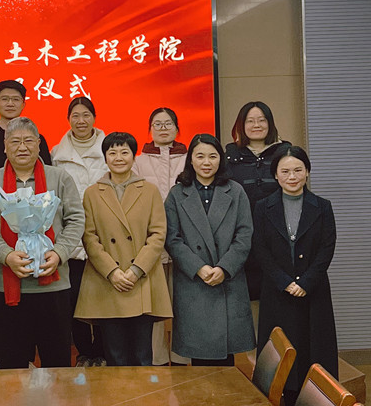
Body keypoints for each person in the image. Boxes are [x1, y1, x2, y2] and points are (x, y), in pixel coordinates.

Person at [0, 117, 85, 369]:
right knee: (12, 367)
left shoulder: (60, 178)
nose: (22, 147)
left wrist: (59, 253)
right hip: (8, 287)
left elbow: (76, 220)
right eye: (15, 141)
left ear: (38, 144)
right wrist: (7, 255)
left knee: (57, 364)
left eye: (28, 141)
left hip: (54, 285)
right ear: (5, 146)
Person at [0, 79, 52, 366]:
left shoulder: (39, 141)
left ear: (23, 103)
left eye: (15, 99)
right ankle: (1, 360)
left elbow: (49, 189)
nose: (10, 103)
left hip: (41, 241)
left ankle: (33, 359)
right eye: (4, 98)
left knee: (40, 308)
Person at [74, 132, 172, 367]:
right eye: (113, 152)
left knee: (142, 355)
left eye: (124, 152)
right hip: (108, 281)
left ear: (134, 156)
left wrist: (136, 270)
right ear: (105, 158)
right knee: (115, 355)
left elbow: (158, 234)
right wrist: (113, 272)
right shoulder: (92, 193)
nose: (119, 157)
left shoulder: (149, 190)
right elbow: (89, 237)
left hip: (141, 279)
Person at [253, 145, 337, 404]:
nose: (292, 176)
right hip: (277, 290)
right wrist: (284, 281)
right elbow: (260, 249)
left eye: (298, 170)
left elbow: (327, 247)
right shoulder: (262, 207)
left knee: (314, 349)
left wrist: (306, 282)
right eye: (285, 171)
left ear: (307, 172)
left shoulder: (322, 206)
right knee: (281, 354)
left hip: (313, 291)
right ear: (275, 175)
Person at [163, 134, 255, 366]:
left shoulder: (235, 191)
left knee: (227, 361)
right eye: (200, 156)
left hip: (228, 279)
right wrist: (198, 267)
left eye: (212, 156)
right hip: (194, 281)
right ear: (191, 160)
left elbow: (244, 235)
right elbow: (172, 239)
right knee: (200, 358)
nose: (206, 162)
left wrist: (224, 268)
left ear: (221, 159)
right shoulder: (177, 194)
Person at [50, 96, 107, 367]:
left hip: (105, 235)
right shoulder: (56, 154)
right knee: (74, 299)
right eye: (75, 115)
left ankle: (104, 352)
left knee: (105, 296)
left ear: (94, 117)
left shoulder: (109, 149)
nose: (81, 120)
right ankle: (84, 352)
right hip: (70, 237)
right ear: (68, 119)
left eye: (86, 115)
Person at [132, 107, 189, 366]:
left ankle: (182, 355)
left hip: (184, 238)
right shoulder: (138, 161)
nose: (163, 128)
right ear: (150, 129)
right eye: (158, 124)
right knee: (153, 300)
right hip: (150, 239)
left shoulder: (190, 158)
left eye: (168, 124)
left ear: (177, 128)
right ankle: (156, 357)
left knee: (183, 300)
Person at [225, 101, 290, 301]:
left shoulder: (285, 154)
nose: (256, 125)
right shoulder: (229, 157)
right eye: (250, 121)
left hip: (278, 240)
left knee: (279, 299)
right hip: (240, 240)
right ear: (241, 125)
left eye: (262, 120)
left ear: (270, 123)